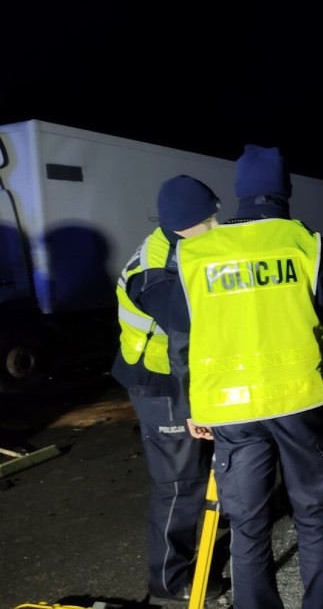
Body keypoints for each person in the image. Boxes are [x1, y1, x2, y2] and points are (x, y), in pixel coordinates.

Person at [167, 144, 323, 609]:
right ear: (285, 192)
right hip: (300, 402)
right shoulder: (308, 245)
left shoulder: (195, 256)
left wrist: (190, 405)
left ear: (236, 195)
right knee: (313, 514)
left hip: (230, 411)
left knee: (248, 522)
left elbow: (181, 340)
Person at [111, 175, 225, 603]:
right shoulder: (155, 271)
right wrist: (192, 405)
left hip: (182, 377)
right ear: (182, 223)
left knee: (204, 479)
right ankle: (169, 583)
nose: (216, 227)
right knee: (179, 485)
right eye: (208, 221)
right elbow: (188, 325)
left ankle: (201, 565)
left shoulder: (185, 245)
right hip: (160, 385)